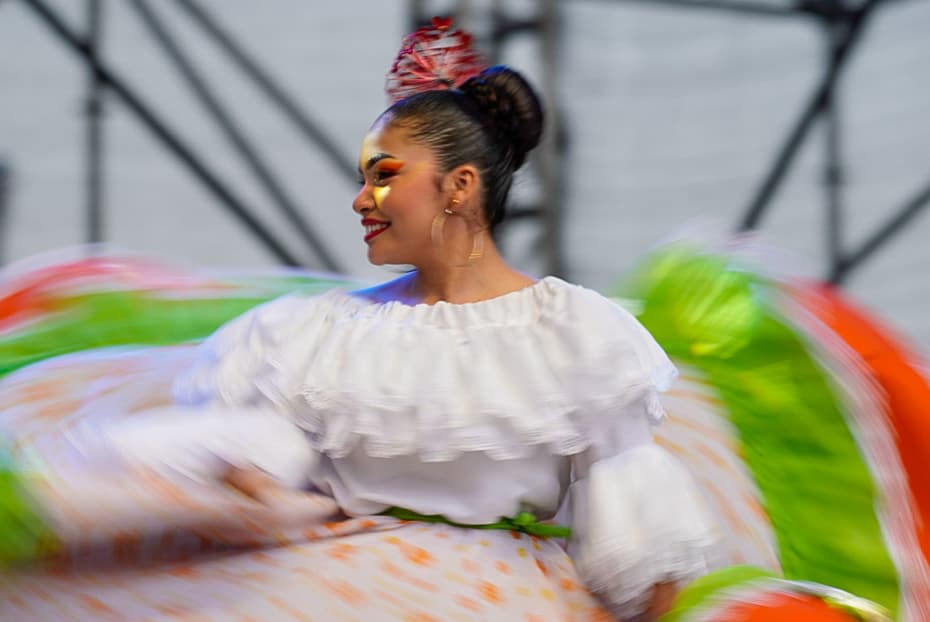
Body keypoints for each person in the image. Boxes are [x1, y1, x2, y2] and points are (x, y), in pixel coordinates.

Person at [0, 18, 718, 622]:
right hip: (346, 592)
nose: (361, 198)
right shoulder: (318, 335)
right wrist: (74, 489)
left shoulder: (574, 334)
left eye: (384, 174)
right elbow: (248, 449)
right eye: (364, 176)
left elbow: (634, 538)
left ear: (459, 187)